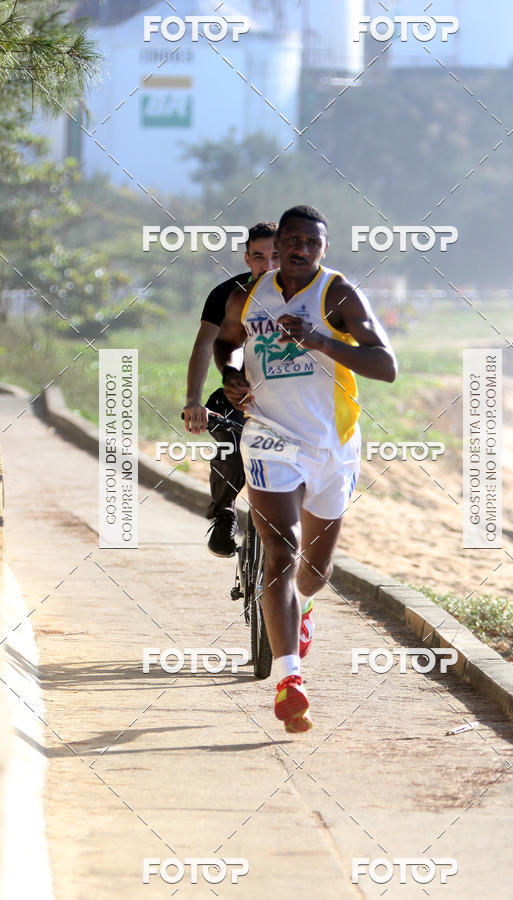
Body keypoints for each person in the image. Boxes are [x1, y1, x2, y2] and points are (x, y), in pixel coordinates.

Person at [214, 205, 397, 732]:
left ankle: (305, 611)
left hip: (331, 444)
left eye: (312, 243)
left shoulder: (337, 294)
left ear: (323, 247)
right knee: (280, 550)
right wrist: (231, 377)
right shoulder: (246, 295)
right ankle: (289, 680)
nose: (300, 250)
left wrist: (318, 339)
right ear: (279, 244)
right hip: (270, 435)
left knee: (313, 573)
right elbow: (227, 344)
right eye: (292, 240)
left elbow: (386, 365)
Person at [182, 222, 278, 557]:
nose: (268, 265)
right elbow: (205, 345)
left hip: (286, 401)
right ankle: (223, 515)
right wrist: (193, 401)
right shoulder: (228, 295)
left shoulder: (304, 298)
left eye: (276, 256)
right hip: (237, 394)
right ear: (247, 258)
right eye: (259, 257)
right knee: (232, 448)